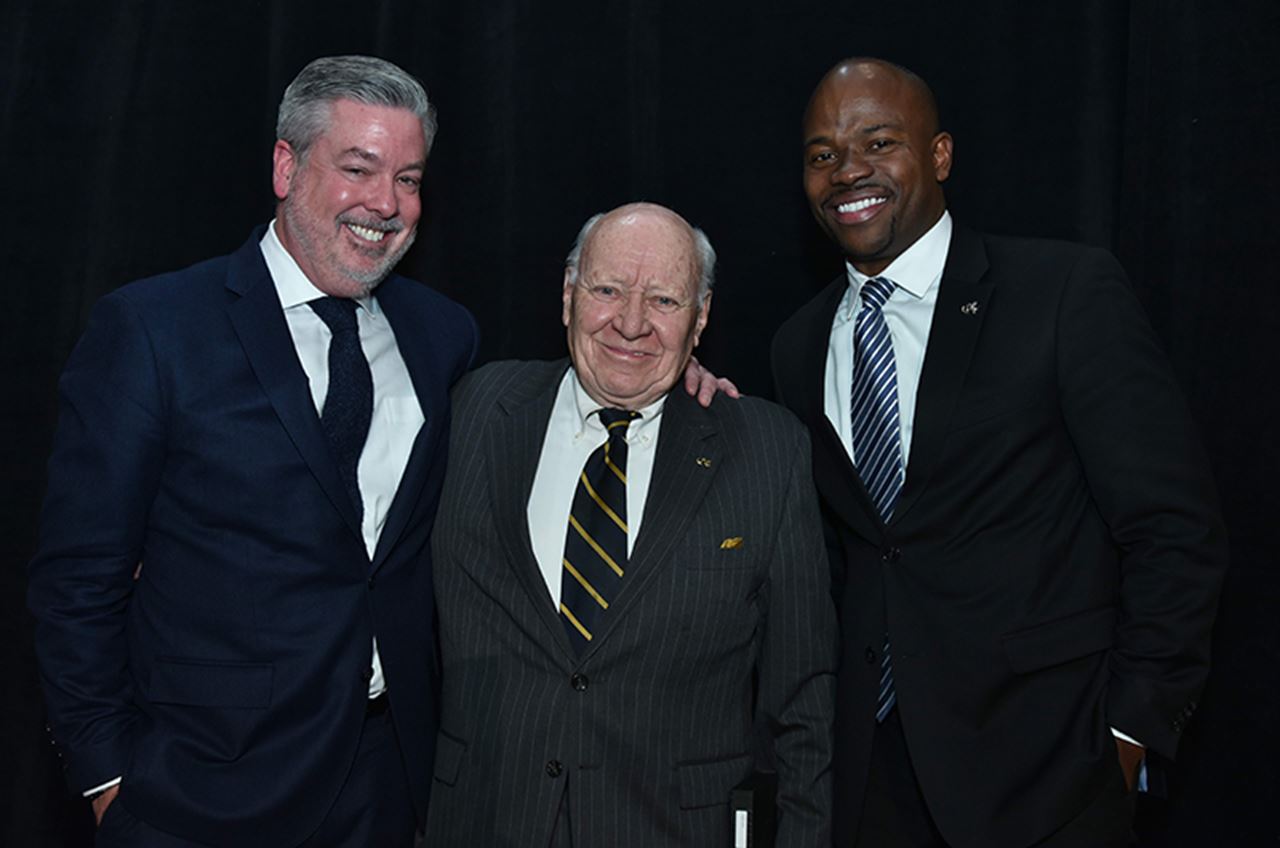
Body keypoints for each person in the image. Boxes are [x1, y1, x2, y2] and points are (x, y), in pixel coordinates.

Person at [771, 58, 1227, 848]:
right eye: (822, 155)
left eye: (879, 141)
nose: (849, 171)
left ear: (940, 155)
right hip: (868, 782)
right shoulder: (796, 345)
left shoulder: (1062, 292)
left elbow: (1174, 530)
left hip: (1050, 779)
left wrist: (1128, 736)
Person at [27, 55, 477, 847]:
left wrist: (671, 378)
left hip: (385, 786)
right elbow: (78, 580)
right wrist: (107, 781)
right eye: (358, 168)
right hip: (197, 792)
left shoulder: (442, 335)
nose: (386, 203)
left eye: (408, 179)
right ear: (285, 165)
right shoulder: (154, 329)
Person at [425, 202, 837, 847]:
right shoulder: (472, 409)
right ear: (568, 296)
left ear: (700, 320)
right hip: (483, 820)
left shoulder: (767, 450)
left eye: (665, 302)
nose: (631, 323)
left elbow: (803, 699)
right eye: (608, 290)